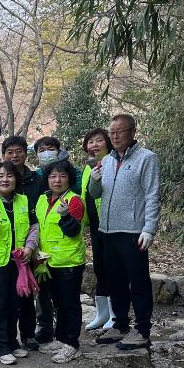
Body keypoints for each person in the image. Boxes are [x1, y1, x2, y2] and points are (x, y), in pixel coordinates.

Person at [88, 113, 161, 350]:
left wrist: (149, 229)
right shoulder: (107, 161)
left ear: (132, 132)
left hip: (133, 231)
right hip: (108, 231)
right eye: (112, 132)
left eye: (120, 131)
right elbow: (96, 194)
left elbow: (152, 195)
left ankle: (142, 330)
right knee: (115, 281)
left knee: (137, 281)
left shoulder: (146, 158)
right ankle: (120, 324)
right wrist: (94, 181)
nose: (115, 136)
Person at [0, 161, 39, 365]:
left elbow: (33, 226)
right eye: (0, 176)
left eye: (10, 175)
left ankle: (12, 342)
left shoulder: (24, 201)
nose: (5, 179)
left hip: (19, 261)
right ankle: (0, 347)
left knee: (15, 303)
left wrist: (30, 248)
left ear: (16, 179)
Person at [35, 160, 86, 363]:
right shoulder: (42, 200)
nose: (57, 180)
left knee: (70, 304)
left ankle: (72, 344)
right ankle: (60, 338)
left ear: (69, 179)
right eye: (53, 176)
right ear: (47, 179)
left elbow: (73, 231)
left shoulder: (74, 201)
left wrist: (65, 216)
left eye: (62, 176)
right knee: (57, 303)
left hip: (69, 261)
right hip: (47, 261)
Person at [0, 135, 41, 351]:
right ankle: (9, 337)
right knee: (9, 293)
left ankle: (29, 333)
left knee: (28, 289)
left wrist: (32, 246)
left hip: (31, 242)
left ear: (26, 153)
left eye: (18, 151)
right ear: (4, 155)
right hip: (7, 247)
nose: (14, 155)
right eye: (10, 152)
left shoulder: (36, 180)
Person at [81, 127, 114, 330]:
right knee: (100, 269)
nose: (94, 145)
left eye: (98, 140)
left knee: (112, 270)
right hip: (95, 226)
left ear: (107, 143)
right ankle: (101, 315)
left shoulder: (113, 163)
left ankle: (115, 314)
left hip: (111, 224)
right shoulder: (88, 168)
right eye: (90, 142)